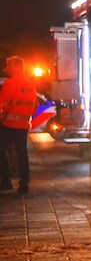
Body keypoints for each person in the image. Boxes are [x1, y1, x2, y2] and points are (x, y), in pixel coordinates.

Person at [0, 56, 39, 194]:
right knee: (22, 153)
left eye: (8, 65)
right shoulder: (29, 84)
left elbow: (3, 104)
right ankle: (24, 183)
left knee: (1, 149)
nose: (6, 68)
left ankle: (5, 181)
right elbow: (35, 106)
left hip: (9, 123)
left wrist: (3, 116)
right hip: (23, 124)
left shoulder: (9, 84)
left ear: (15, 67)